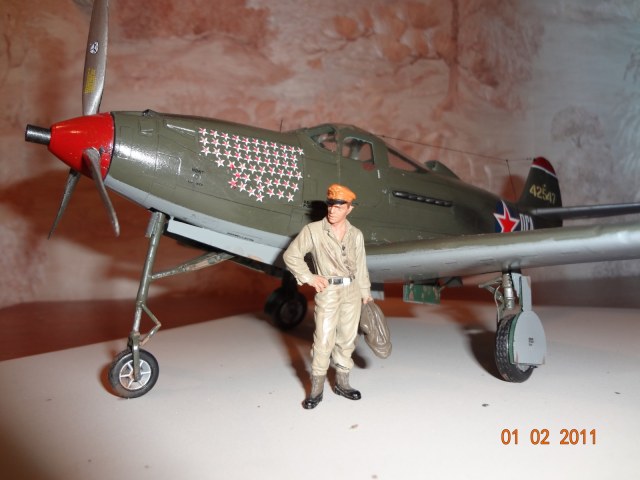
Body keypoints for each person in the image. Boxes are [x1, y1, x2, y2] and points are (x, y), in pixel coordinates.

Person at [283, 184, 373, 409]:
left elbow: (361, 266)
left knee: (348, 339)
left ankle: (342, 383)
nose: (332, 210)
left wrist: (365, 292)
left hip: (352, 290)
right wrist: (309, 277)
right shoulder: (313, 230)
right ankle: (316, 389)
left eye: (339, 206)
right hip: (329, 291)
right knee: (323, 341)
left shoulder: (356, 234)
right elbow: (291, 255)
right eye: (330, 205)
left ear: (349, 209)